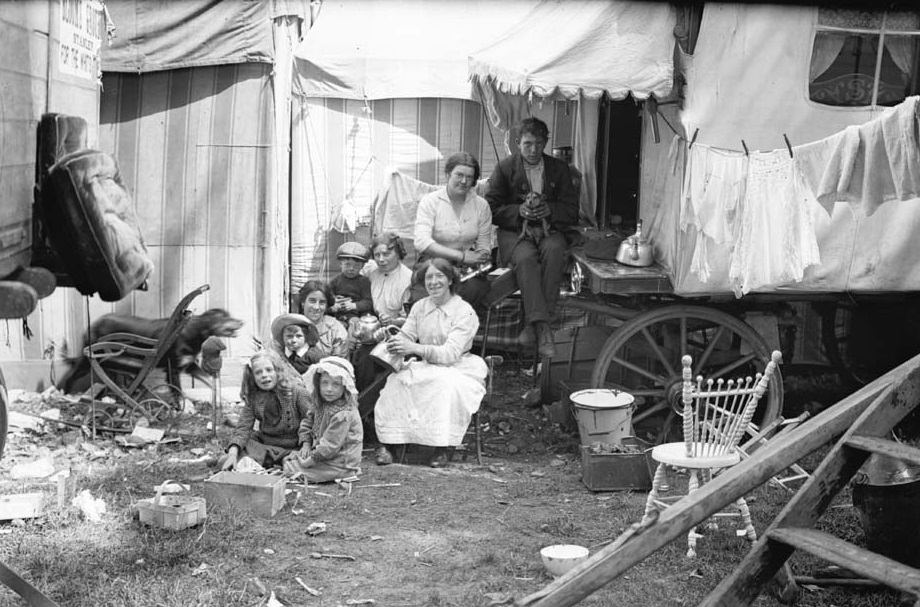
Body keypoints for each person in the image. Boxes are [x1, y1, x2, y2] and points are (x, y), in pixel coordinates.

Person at [373, 258, 487, 468]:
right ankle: (391, 444)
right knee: (396, 381)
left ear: (451, 280)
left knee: (444, 384)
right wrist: (389, 336)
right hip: (427, 364)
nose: (433, 282)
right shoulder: (420, 306)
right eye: (429, 278)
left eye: (439, 276)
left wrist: (415, 349)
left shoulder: (464, 311)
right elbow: (406, 335)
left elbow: (450, 354)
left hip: (458, 366)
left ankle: (443, 447)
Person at [486, 117, 579, 358]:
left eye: (539, 144)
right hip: (516, 232)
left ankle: (532, 326)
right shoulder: (505, 168)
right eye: (528, 144)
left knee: (555, 250)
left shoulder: (560, 169)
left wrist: (551, 210)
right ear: (518, 143)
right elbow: (491, 209)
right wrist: (519, 211)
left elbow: (571, 210)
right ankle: (544, 328)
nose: (534, 150)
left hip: (551, 229)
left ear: (546, 142)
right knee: (526, 258)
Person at [413, 152, 492, 311]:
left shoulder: (481, 205)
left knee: (473, 293)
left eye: (469, 177)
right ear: (448, 174)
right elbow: (421, 242)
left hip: (465, 267)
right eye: (459, 175)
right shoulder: (430, 201)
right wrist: (461, 256)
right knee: (427, 301)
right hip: (432, 261)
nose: (464, 181)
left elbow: (484, 246)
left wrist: (480, 257)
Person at [221, 351, 311, 471]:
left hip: (295, 445)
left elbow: (312, 420)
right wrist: (233, 453)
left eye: (269, 370)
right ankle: (239, 459)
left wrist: (306, 444)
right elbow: (243, 428)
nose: (264, 375)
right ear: (252, 376)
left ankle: (273, 461)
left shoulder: (297, 393)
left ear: (278, 371)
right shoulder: (253, 397)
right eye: (258, 372)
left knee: (306, 459)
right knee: (239, 445)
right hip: (266, 443)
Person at [282, 356, 363, 482]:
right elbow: (307, 422)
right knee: (290, 461)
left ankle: (346, 472)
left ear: (345, 387)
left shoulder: (343, 413)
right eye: (325, 383)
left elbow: (330, 445)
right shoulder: (321, 404)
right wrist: (306, 444)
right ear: (318, 383)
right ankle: (312, 464)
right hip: (324, 454)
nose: (329, 389)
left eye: (336, 384)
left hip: (340, 460)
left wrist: (309, 461)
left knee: (292, 469)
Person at [364, 232, 413, 326]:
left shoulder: (407, 280)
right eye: (377, 255)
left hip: (396, 330)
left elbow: (411, 319)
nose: (381, 259)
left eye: (386, 254)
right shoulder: (371, 269)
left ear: (398, 254)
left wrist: (392, 321)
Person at [296, 279, 349, 361]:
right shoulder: (293, 326)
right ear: (303, 302)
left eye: (322, 303)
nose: (316, 307)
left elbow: (339, 363)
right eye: (312, 301)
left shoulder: (336, 329)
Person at [329, 241, 373, 325]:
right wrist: (334, 302)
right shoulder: (335, 281)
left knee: (356, 323)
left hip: (357, 314)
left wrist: (354, 305)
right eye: (347, 264)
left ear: (362, 267)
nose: (351, 268)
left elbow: (369, 302)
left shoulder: (364, 282)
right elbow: (328, 296)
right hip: (339, 312)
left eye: (356, 266)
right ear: (340, 264)